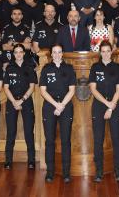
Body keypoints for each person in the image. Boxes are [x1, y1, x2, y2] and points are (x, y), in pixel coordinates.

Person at [39, 44, 76, 183]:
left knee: (66, 141)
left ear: (62, 54)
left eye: (59, 52)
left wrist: (62, 105)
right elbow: (43, 91)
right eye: (54, 52)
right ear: (51, 54)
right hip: (49, 107)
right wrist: (56, 105)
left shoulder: (69, 68)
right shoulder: (46, 68)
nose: (56, 54)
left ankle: (66, 173)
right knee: (50, 141)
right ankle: (50, 172)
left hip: (66, 106)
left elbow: (72, 90)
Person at [88, 41, 119, 182]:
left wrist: (111, 106)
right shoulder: (95, 67)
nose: (106, 53)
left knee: (116, 139)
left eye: (108, 50)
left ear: (111, 51)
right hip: (99, 106)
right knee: (98, 139)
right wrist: (106, 104)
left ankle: (118, 170)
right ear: (100, 52)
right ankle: (99, 171)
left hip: (114, 106)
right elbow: (93, 89)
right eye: (103, 51)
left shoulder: (117, 67)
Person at [3, 44, 38, 170]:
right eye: (16, 52)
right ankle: (8, 161)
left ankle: (31, 160)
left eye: (20, 52)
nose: (18, 54)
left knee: (29, 132)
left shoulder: (29, 67)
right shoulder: (9, 68)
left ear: (24, 53)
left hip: (26, 101)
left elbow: (32, 87)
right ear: (13, 54)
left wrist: (21, 100)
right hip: (11, 101)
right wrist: (14, 101)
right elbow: (5, 87)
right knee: (11, 132)